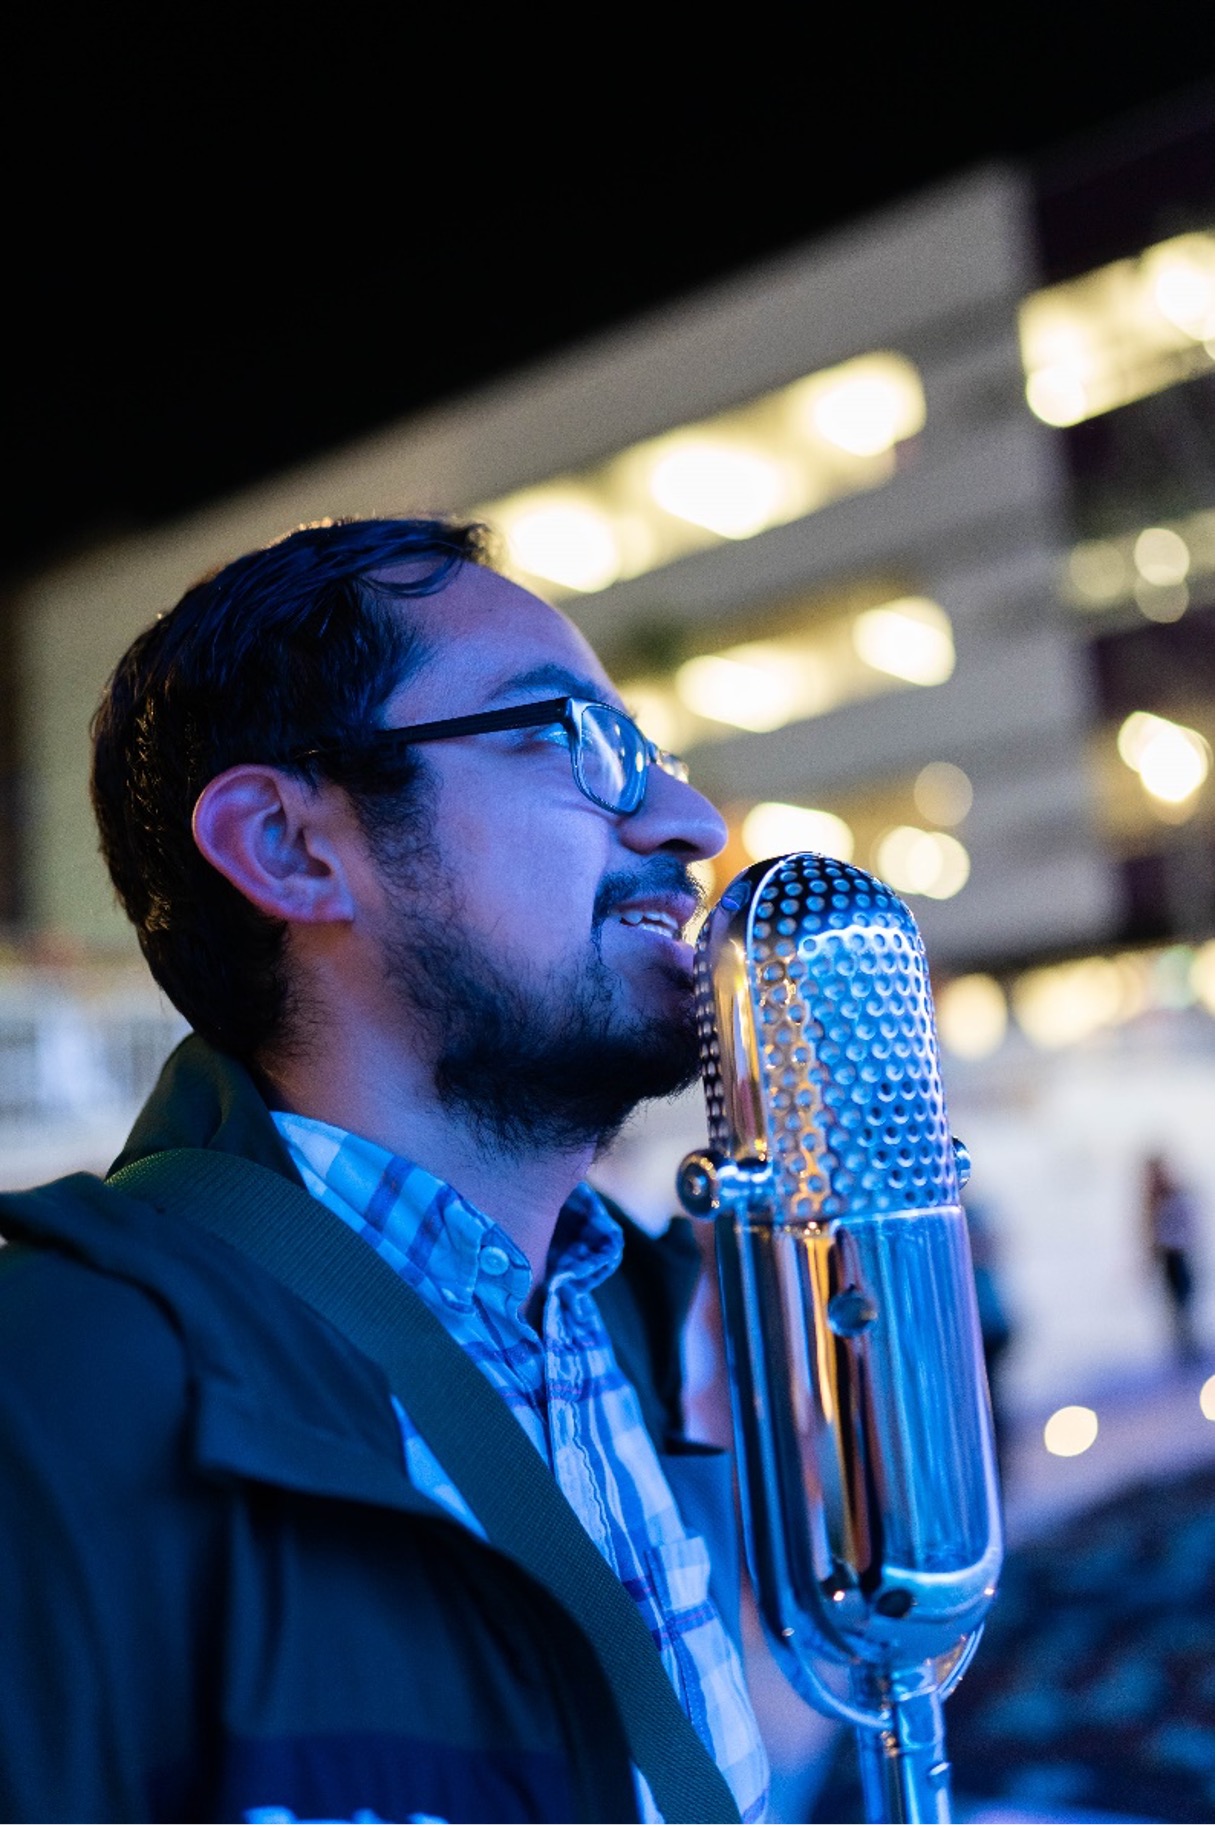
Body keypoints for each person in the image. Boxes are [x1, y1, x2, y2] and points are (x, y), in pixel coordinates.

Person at [0, 518, 769, 1824]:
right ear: (292, 846)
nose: (686, 819)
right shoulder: (51, 1390)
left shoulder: (647, 1321)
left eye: (650, 754)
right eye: (568, 738)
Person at [1141, 1152, 1200, 1364]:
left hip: (1177, 1257)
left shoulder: (1172, 1195)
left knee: (1182, 1305)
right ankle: (1184, 1350)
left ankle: (1189, 1350)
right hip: (1168, 1260)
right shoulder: (1154, 1198)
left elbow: (1182, 1228)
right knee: (1175, 1307)